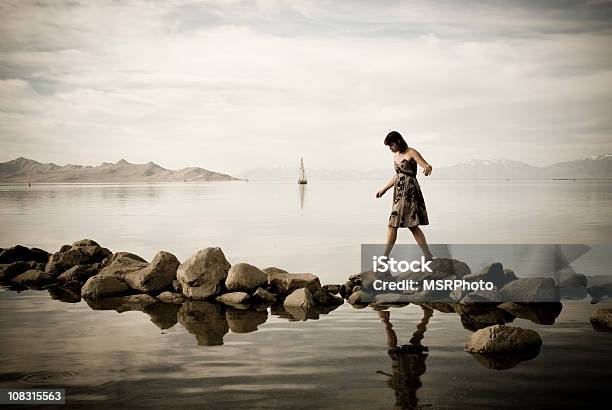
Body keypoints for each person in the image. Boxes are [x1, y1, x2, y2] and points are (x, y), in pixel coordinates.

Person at [376, 131, 434, 260]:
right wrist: (384, 189)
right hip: (399, 194)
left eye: (391, 145)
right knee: (395, 224)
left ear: (398, 141)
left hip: (410, 193)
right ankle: (427, 255)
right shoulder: (396, 155)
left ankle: (427, 255)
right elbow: (398, 175)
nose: (390, 149)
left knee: (410, 225)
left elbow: (425, 164)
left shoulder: (411, 152)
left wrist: (427, 168)